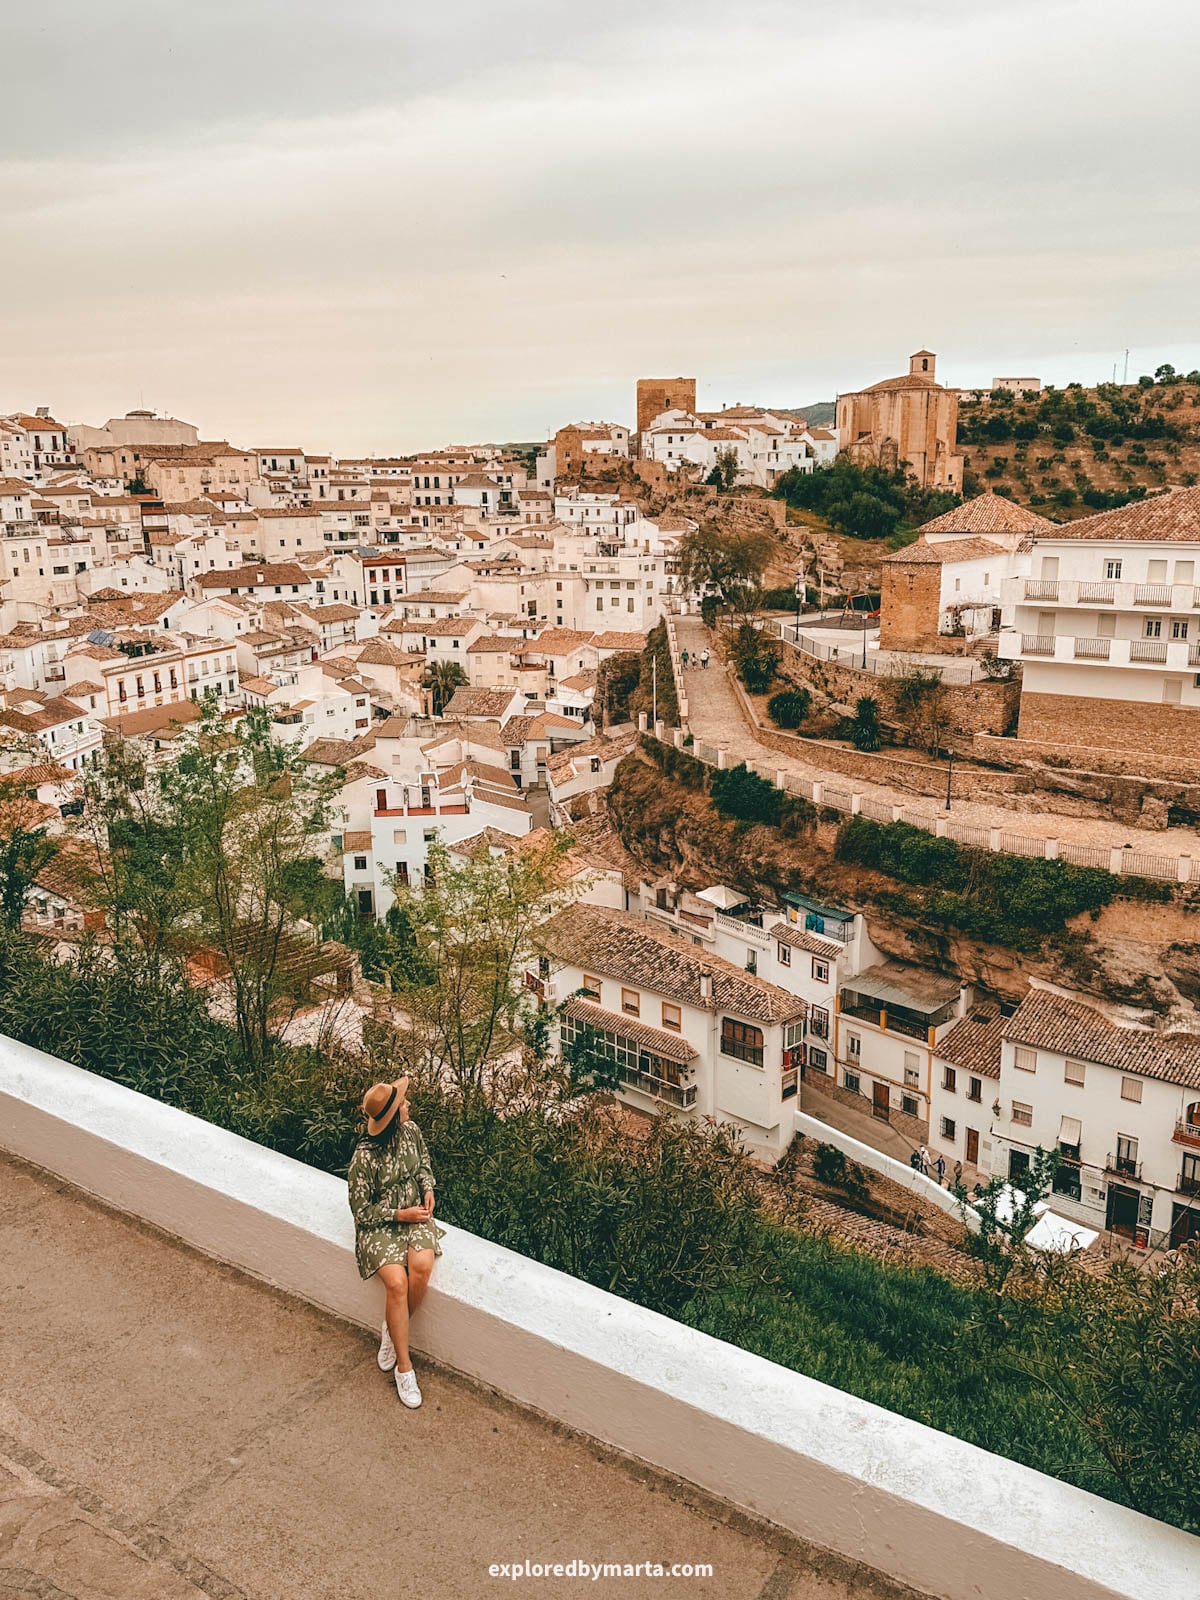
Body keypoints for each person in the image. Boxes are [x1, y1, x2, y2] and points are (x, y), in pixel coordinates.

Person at [347, 1077, 445, 1409]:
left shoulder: (412, 1132)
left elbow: (424, 1166)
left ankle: (393, 1327)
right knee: (397, 1284)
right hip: (383, 1224)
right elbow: (361, 1212)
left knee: (421, 1267)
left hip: (415, 1214)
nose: (408, 1106)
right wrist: (399, 1215)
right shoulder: (364, 1158)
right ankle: (405, 1368)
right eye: (403, 1104)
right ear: (390, 1117)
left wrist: (428, 1187)